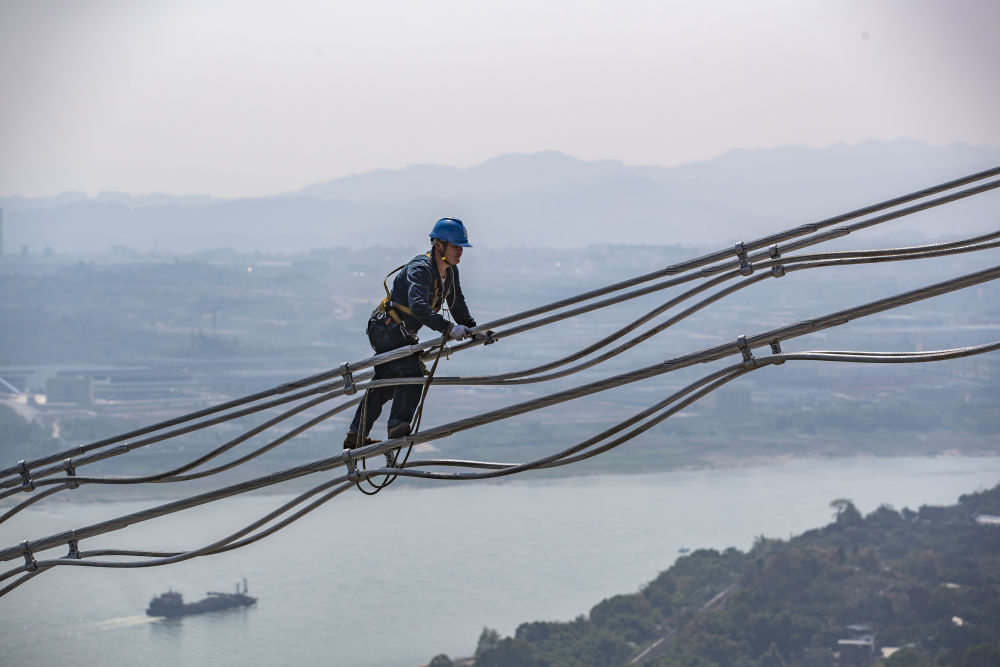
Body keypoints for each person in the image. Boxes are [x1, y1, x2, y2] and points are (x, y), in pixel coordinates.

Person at [343, 218, 485, 449]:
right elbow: (419, 307)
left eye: (462, 247)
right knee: (412, 371)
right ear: (439, 245)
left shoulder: (450, 271)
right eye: (455, 246)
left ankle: (355, 436)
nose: (460, 252)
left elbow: (457, 304)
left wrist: (474, 330)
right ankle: (398, 425)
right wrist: (449, 328)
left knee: (386, 383)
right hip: (386, 328)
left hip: (399, 332)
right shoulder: (421, 269)